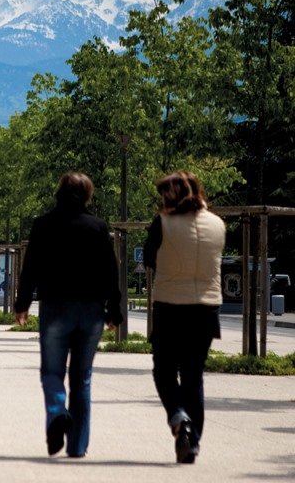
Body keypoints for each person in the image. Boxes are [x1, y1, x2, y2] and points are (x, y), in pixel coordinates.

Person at [14, 172, 122, 459]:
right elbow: (111, 272)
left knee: (52, 372)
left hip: (56, 307)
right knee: (82, 377)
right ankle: (76, 447)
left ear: (59, 193)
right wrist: (115, 310)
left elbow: (31, 269)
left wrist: (22, 303)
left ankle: (57, 410)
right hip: (91, 310)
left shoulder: (43, 225)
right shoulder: (98, 227)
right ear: (88, 194)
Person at [143, 171, 225, 464]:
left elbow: (149, 258)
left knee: (163, 370)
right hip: (206, 307)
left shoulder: (162, 223)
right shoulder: (217, 224)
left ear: (171, 195)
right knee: (193, 375)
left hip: (170, 305)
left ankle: (180, 419)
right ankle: (193, 441)